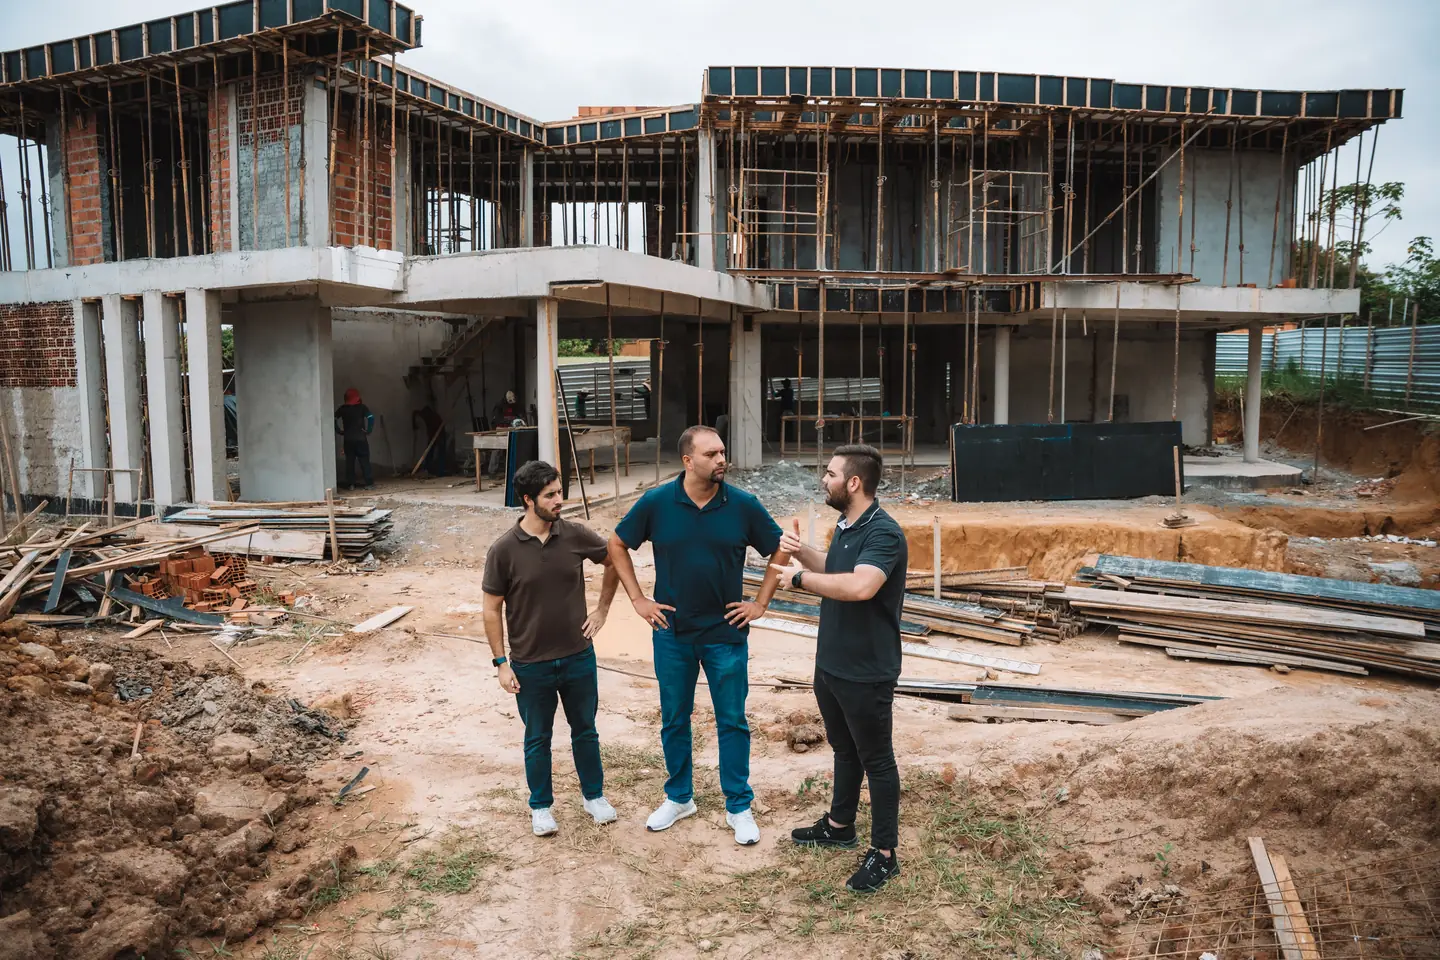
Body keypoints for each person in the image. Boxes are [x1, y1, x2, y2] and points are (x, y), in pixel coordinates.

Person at [608, 425, 790, 845]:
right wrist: (638, 599)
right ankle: (679, 798)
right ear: (688, 461)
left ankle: (738, 806)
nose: (721, 459)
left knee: (732, 721)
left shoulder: (743, 505)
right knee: (674, 720)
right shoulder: (657, 503)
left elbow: (780, 548)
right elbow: (616, 544)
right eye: (711, 454)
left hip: (726, 634)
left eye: (723, 452)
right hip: (672, 634)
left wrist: (760, 603)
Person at [772, 444, 908, 893]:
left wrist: (798, 579)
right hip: (832, 664)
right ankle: (839, 825)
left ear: (853, 482)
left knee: (877, 760)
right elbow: (835, 568)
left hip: (866, 670)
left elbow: (861, 585)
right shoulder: (847, 527)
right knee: (844, 750)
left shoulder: (884, 533)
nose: (823, 480)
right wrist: (801, 554)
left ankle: (884, 855)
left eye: (830, 474)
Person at [482, 460, 622, 837]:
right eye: (550, 495)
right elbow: (491, 609)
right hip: (530, 664)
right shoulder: (504, 550)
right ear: (529, 500)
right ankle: (541, 807)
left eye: (560, 492)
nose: (559, 500)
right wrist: (501, 663)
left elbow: (613, 560)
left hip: (578, 657)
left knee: (586, 731)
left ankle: (594, 797)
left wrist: (602, 610)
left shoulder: (575, 534)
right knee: (537, 738)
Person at [334, 387, 375, 490]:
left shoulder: (342, 409)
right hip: (361, 439)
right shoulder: (362, 408)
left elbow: (333, 419)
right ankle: (369, 483)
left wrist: (338, 430)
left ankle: (351, 484)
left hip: (348, 440)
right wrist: (369, 430)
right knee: (364, 461)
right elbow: (371, 418)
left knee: (350, 462)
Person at [413, 404, 448, 477]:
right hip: (432, 436)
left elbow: (437, 429)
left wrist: (435, 438)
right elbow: (415, 413)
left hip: (440, 435)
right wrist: (414, 425)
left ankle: (440, 472)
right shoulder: (424, 415)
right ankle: (427, 469)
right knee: (429, 452)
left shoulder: (434, 418)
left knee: (441, 453)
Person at [774, 378, 795, 444]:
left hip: (784, 411)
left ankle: (783, 439)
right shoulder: (791, 391)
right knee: (790, 425)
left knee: (783, 425)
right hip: (791, 410)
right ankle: (790, 439)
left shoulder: (783, 391)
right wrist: (780, 391)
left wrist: (775, 392)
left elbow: (775, 395)